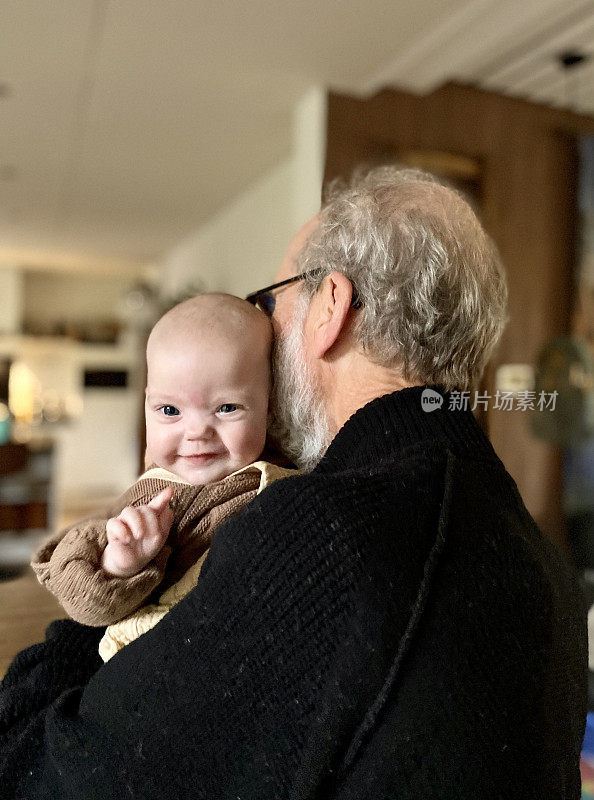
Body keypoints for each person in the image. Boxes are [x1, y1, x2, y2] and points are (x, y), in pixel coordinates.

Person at [0, 166, 587, 799]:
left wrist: (103, 596)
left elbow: (41, 770)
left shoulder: (322, 533)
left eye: (270, 302)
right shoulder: (544, 565)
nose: (265, 332)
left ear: (330, 306)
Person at [30, 292, 292, 661]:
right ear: (147, 405)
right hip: (147, 663)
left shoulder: (283, 472)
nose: (197, 431)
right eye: (170, 410)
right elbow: (84, 605)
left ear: (269, 407)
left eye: (227, 407)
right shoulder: (151, 499)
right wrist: (121, 564)